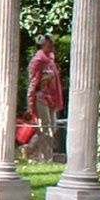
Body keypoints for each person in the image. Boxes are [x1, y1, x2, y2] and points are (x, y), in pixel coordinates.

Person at [26, 33, 65, 162]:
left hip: (52, 97)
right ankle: (44, 157)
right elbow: (32, 80)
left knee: (53, 127)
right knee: (45, 127)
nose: (51, 48)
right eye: (48, 45)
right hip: (41, 97)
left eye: (52, 45)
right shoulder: (37, 60)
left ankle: (30, 148)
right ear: (43, 46)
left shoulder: (51, 59)